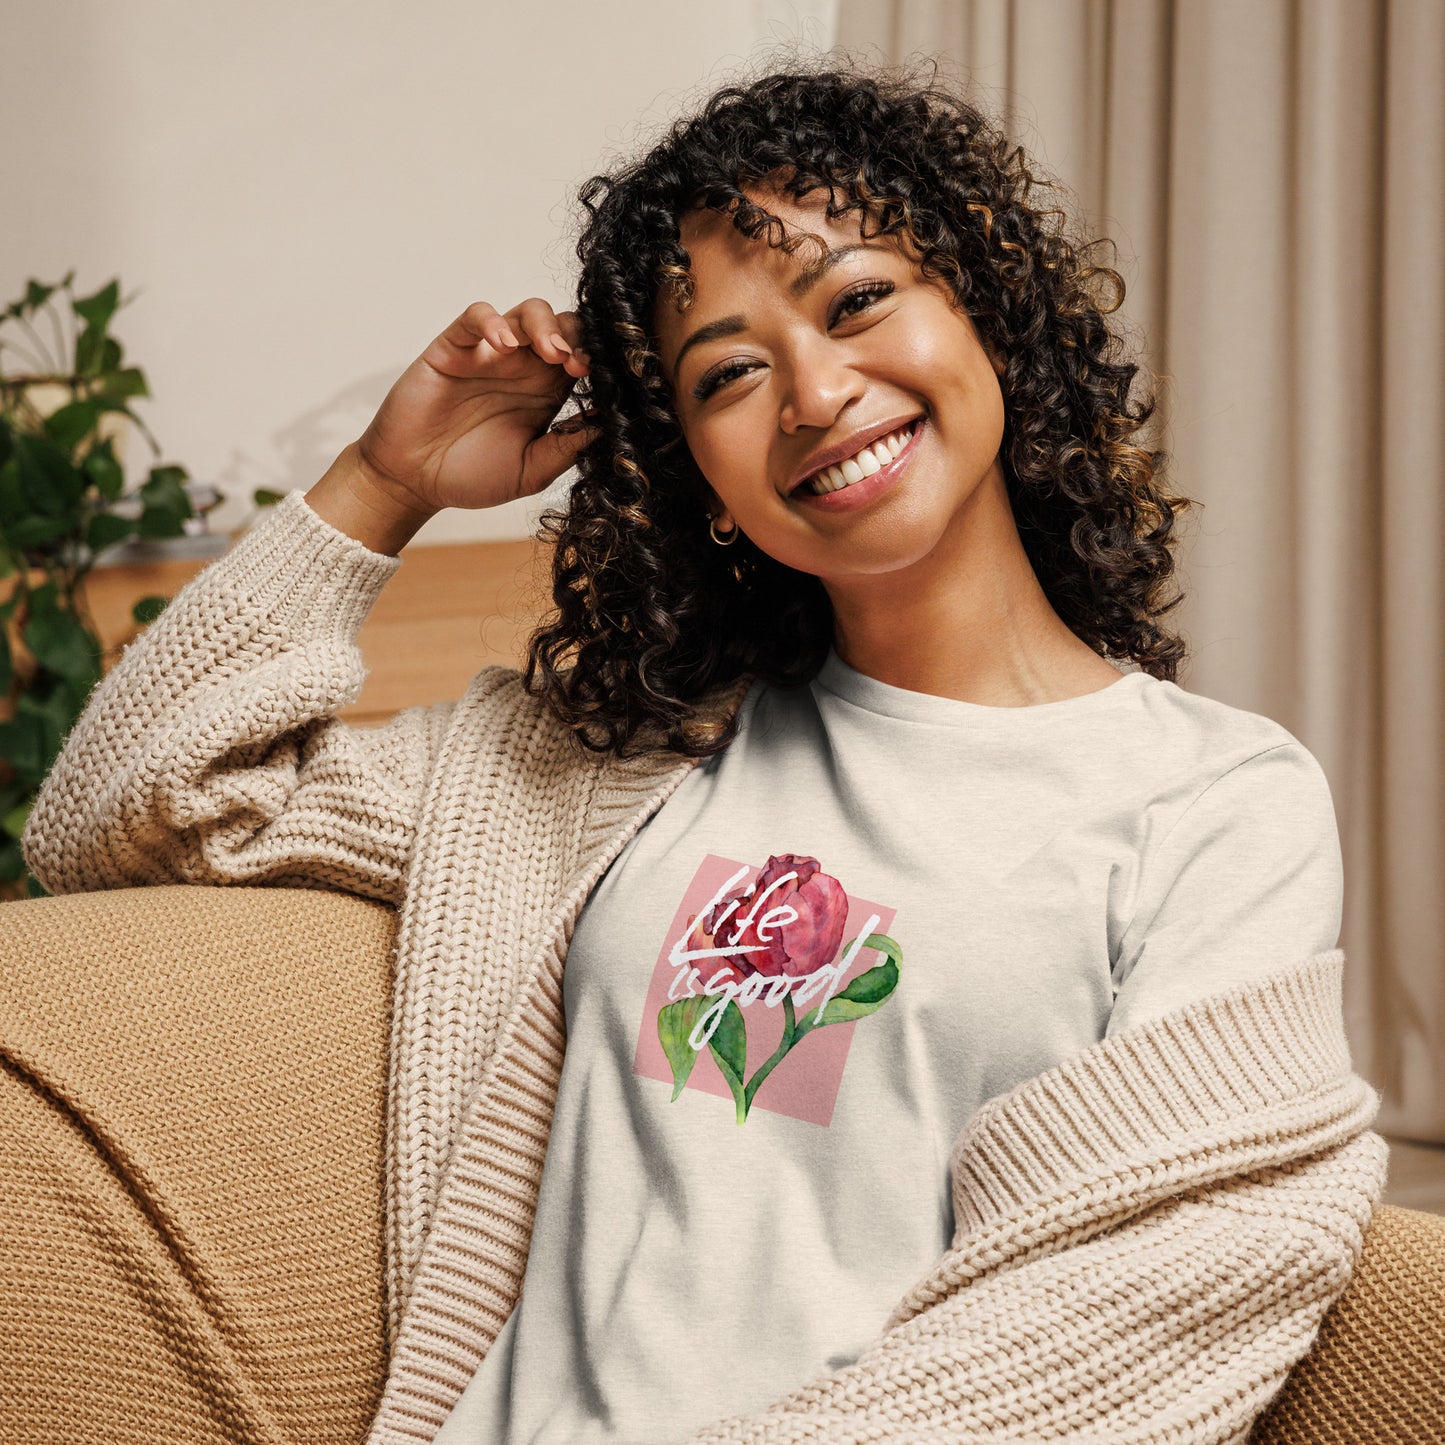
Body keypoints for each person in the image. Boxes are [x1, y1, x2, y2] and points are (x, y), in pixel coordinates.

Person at [15, 60, 1385, 1445]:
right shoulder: (608, 766)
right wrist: (383, 483)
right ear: (702, 481)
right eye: (728, 372)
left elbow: (1146, 1291)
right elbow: (127, 813)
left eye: (857, 301)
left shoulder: (1211, 801)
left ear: (986, 314)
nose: (812, 390)